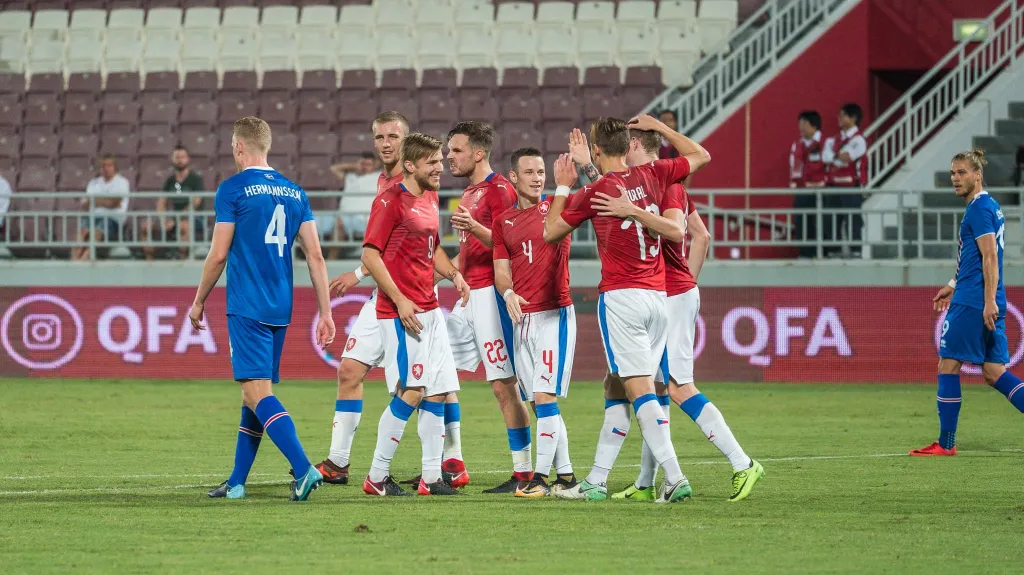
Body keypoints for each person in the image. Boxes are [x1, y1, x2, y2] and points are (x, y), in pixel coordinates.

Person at [545, 114, 710, 503]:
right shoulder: (656, 174)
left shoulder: (594, 192)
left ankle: (674, 477)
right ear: (628, 145)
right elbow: (700, 155)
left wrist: (564, 186)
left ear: (598, 149)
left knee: (639, 390)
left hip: (622, 298)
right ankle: (597, 480)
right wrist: (663, 130)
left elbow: (550, 230)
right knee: (615, 383)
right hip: (658, 297)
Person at [604, 127, 763, 502]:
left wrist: (682, 287)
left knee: (676, 386)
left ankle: (743, 463)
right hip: (669, 292)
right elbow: (702, 237)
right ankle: (645, 483)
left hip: (669, 293)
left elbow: (685, 232)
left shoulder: (666, 183)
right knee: (655, 387)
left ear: (636, 146)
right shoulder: (652, 184)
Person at [194, 116, 335, 501]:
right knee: (252, 396)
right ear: (266, 146)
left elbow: (218, 254)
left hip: (247, 304)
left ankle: (305, 470)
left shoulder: (232, 189)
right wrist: (326, 312)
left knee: (257, 392)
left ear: (239, 146)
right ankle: (237, 482)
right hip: (280, 307)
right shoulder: (295, 192)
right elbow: (316, 256)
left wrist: (198, 300)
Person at [303, 111, 412, 487]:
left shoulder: (414, 182)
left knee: (418, 387)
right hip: (381, 293)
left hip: (407, 297)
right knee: (349, 370)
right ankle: (338, 463)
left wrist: (359, 273)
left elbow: (403, 246)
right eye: (379, 136)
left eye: (393, 137)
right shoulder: (382, 181)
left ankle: (442, 463)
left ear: (405, 140)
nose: (385, 143)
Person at [360, 132, 471, 496]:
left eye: (441, 160)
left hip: (430, 308)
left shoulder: (431, 197)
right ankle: (376, 477)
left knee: (437, 391)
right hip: (402, 313)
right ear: (410, 165)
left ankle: (431, 477)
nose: (441, 167)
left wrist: (454, 275)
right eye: (433, 162)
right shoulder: (389, 201)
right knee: (412, 390)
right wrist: (399, 300)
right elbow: (370, 256)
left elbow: (432, 246)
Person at [911, 149, 1024, 456]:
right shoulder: (989, 207)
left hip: (975, 301)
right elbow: (975, 258)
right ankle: (946, 443)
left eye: (962, 173)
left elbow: (989, 257)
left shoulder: (978, 210)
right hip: (984, 295)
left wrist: (987, 301)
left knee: (947, 364)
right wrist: (951, 284)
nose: (956, 179)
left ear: (978, 174)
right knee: (993, 372)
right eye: (952, 173)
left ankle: (946, 444)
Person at [443, 121, 531, 494]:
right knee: (437, 373)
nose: (449, 156)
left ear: (478, 153)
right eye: (448, 151)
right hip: (467, 295)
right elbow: (467, 252)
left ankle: (524, 472)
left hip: (491, 295)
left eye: (457, 150)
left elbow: (512, 241)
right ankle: (447, 464)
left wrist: (475, 228)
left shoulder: (499, 190)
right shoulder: (469, 193)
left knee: (503, 385)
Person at [491, 147, 579, 498]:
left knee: (544, 396)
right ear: (513, 177)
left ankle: (538, 479)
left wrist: (564, 186)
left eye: (541, 171)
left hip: (553, 314)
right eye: (529, 172)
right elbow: (501, 272)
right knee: (540, 403)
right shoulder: (503, 222)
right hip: (522, 319)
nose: (537, 177)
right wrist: (508, 292)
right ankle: (567, 476)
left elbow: (553, 230)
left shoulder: (558, 208)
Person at [141, 146, 206, 261]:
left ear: (188, 159)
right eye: (177, 157)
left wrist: (175, 220)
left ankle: (181, 259)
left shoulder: (196, 179)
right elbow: (161, 202)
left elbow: (195, 203)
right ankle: (149, 260)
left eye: (182, 157)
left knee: (183, 225)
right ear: (172, 159)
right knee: (146, 225)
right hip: (173, 215)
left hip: (194, 216)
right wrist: (162, 220)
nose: (180, 160)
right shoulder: (170, 180)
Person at [822, 103, 867, 258]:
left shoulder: (859, 140)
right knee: (831, 219)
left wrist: (834, 156)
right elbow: (824, 158)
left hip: (851, 186)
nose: (839, 119)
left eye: (843, 115)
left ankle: (855, 251)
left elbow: (848, 158)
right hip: (834, 186)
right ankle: (833, 250)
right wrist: (837, 156)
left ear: (853, 118)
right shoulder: (832, 139)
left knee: (853, 219)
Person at [72, 154, 130, 261]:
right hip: (94, 216)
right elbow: (85, 204)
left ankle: (83, 261)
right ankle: (74, 261)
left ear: (115, 167)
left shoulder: (122, 182)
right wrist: (103, 201)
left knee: (96, 232)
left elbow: (113, 203)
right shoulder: (93, 183)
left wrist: (95, 201)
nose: (106, 169)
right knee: (81, 232)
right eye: (103, 166)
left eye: (109, 165)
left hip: (112, 218)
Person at [790, 111, 825, 258]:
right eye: (800, 124)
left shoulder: (825, 143)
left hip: (821, 191)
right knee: (801, 222)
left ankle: (822, 252)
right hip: (802, 190)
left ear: (814, 125)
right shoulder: (797, 145)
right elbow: (793, 166)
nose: (801, 127)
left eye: (805, 123)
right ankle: (805, 253)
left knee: (821, 222)